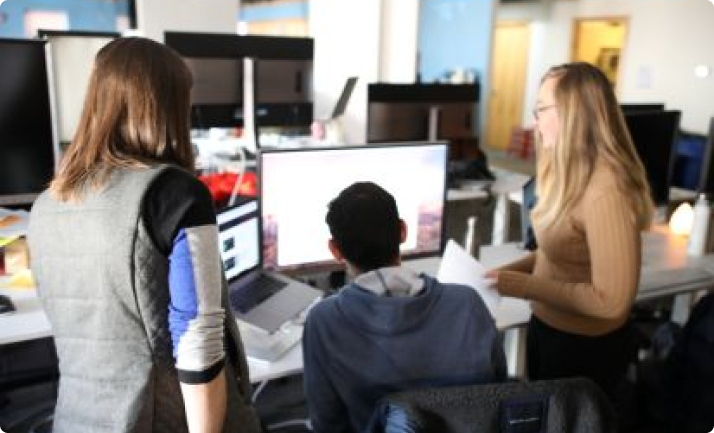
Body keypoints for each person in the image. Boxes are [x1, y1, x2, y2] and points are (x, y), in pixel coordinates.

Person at [28, 38, 261, 433]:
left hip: (76, 419)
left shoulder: (47, 204)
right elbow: (197, 341)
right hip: (162, 419)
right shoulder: (175, 196)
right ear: (168, 108)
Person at [486, 62, 654, 401]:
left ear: (573, 113)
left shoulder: (606, 190)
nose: (534, 121)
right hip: (548, 329)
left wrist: (519, 285)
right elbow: (557, 250)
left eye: (541, 109)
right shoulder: (566, 171)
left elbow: (611, 304)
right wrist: (501, 275)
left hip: (585, 350)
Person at [303, 181, 506, 433]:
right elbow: (498, 393)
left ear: (335, 250)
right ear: (402, 231)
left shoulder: (324, 322)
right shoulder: (467, 303)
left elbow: (327, 424)